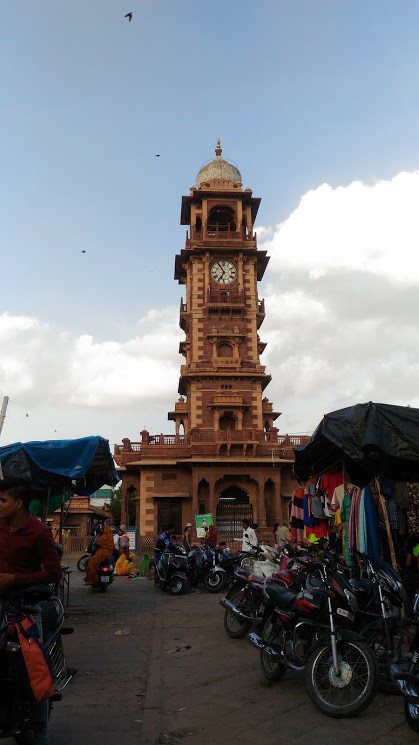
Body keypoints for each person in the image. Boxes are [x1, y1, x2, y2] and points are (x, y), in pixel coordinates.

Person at [0, 478, 63, 745]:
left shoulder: (38, 532)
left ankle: (41, 735)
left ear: (19, 502)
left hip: (25, 606)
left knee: (33, 668)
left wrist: (14, 580)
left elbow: (53, 573)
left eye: (2, 500)